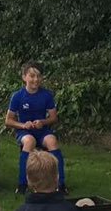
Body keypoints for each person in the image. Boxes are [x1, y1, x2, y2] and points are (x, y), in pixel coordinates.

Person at [4, 61, 66, 194]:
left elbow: (53, 118)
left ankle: (60, 184)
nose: (35, 80)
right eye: (32, 76)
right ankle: (22, 184)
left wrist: (42, 122)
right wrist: (22, 125)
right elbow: (8, 121)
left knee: (52, 141)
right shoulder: (18, 96)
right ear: (24, 77)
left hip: (42, 131)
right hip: (25, 132)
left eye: (38, 76)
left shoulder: (46, 95)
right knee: (29, 141)